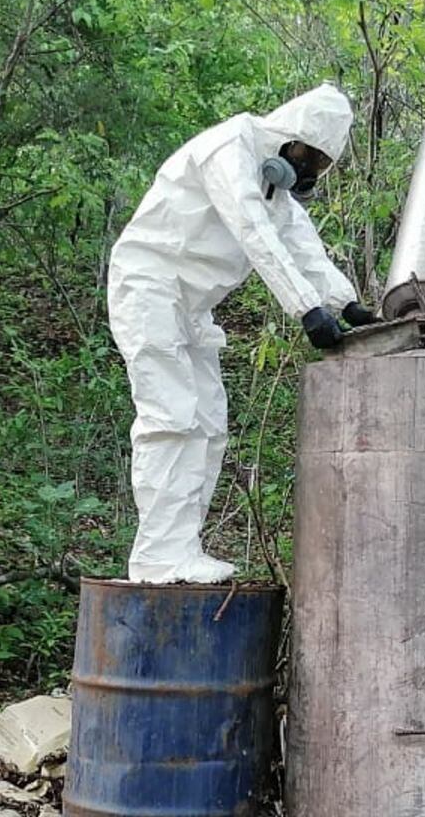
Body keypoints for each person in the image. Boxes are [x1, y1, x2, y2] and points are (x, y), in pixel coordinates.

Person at [106, 83, 377, 583]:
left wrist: (349, 304)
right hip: (149, 288)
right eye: (309, 158)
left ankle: (180, 551)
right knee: (171, 417)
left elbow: (300, 245)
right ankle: (156, 557)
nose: (308, 172)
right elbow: (254, 231)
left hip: (190, 307)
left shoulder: (273, 186)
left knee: (208, 425)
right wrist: (306, 311)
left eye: (319, 166)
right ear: (291, 139)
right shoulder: (230, 148)